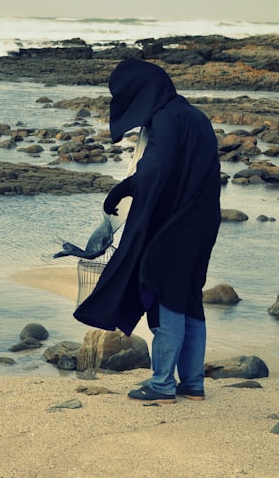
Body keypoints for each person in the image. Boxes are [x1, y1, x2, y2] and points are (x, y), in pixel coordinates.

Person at [73, 58, 221, 404]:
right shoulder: (196, 117)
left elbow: (156, 169)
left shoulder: (166, 119)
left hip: (177, 226)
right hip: (203, 221)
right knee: (188, 297)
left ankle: (162, 385)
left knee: (165, 294)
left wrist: (123, 188)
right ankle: (193, 384)